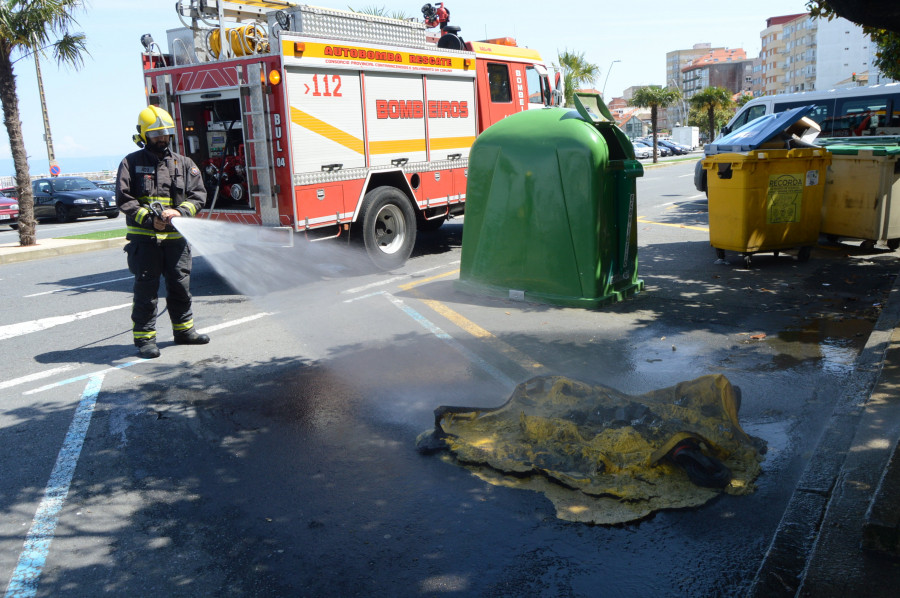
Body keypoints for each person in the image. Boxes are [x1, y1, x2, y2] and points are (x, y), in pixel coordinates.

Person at [116, 105, 210, 359]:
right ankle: (145, 340)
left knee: (180, 286)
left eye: (166, 134)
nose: (162, 139)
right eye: (157, 134)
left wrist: (180, 212)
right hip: (144, 241)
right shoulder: (130, 163)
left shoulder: (184, 163)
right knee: (146, 290)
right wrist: (148, 219)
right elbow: (124, 199)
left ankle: (184, 331)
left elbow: (198, 195)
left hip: (176, 240)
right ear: (144, 135)